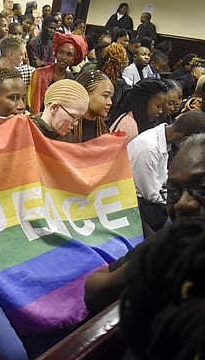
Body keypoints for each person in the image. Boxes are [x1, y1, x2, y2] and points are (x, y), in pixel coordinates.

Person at [84, 127, 205, 315]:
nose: (182, 204)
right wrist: (149, 264)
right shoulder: (167, 246)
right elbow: (94, 290)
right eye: (173, 192)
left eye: (201, 190)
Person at [120, 219, 205, 360]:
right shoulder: (163, 247)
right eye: (173, 195)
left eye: (201, 194)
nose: (182, 204)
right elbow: (93, 288)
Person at [128, 110, 205, 232]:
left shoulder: (164, 141)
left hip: (157, 199)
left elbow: (163, 180)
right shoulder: (148, 149)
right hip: (142, 207)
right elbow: (151, 194)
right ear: (186, 139)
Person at [28, 32, 87, 114]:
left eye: (69, 54)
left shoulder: (71, 81)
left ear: (73, 59)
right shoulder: (39, 74)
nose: (63, 57)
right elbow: (32, 103)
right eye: (61, 52)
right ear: (56, 54)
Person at [109, 78, 167, 143]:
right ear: (144, 102)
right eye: (158, 106)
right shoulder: (128, 126)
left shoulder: (135, 120)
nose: (160, 111)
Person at [74, 70, 114, 142]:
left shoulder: (104, 130)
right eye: (105, 96)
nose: (110, 102)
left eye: (111, 97)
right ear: (86, 94)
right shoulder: (68, 128)